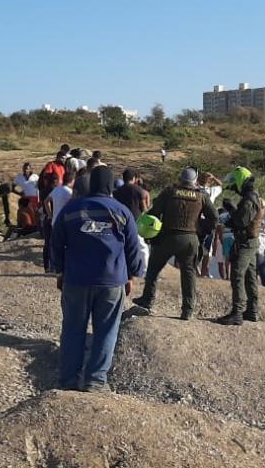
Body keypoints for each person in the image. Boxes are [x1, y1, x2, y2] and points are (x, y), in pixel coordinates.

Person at [50, 165, 144, 392]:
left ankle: (68, 381)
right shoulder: (122, 212)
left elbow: (55, 243)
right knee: (106, 331)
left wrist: (60, 271)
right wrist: (132, 275)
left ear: (91, 184)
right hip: (111, 282)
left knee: (73, 330)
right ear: (111, 186)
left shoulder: (71, 210)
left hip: (76, 280)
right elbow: (133, 248)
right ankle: (95, 381)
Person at [134, 167, 218, 321]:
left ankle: (147, 300)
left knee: (153, 269)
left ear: (180, 179)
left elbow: (153, 213)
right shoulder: (201, 196)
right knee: (189, 274)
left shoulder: (169, 192)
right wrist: (201, 229)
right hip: (190, 239)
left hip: (167, 237)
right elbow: (214, 218)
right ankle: (187, 309)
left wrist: (152, 233)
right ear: (195, 181)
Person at [217, 168, 264, 326]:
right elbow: (246, 219)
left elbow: (240, 222)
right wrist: (233, 210)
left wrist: (229, 212)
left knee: (237, 274)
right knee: (250, 277)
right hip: (252, 241)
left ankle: (237, 312)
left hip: (245, 242)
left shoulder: (248, 199)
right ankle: (252, 311)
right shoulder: (253, 195)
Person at [43, 169, 75, 271]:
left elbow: (46, 201)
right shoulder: (70, 193)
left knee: (55, 245)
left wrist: (50, 214)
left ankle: (53, 266)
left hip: (54, 221)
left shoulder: (57, 189)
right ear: (72, 180)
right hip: (65, 223)